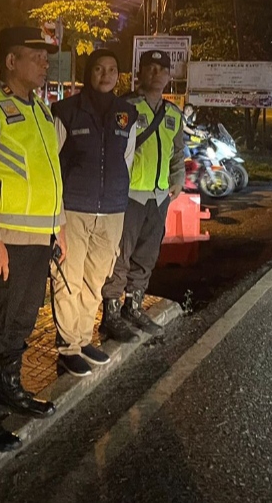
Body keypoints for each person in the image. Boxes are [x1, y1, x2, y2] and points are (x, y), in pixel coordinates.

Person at [0, 26, 66, 452]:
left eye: (46, 57)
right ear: (10, 62)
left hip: (37, 239)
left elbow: (49, 176)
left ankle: (9, 388)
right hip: (3, 241)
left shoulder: (40, 112)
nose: (45, 63)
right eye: (35, 56)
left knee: (20, 321)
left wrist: (56, 229)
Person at [51, 48, 139, 375]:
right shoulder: (66, 111)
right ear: (90, 73)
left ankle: (85, 338)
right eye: (99, 69)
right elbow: (52, 163)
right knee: (67, 279)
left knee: (96, 280)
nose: (105, 75)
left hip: (113, 210)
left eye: (112, 70)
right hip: (74, 207)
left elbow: (125, 161)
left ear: (119, 75)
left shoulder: (126, 114)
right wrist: (56, 211)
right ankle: (68, 347)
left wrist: (119, 199)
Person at [100, 50, 185, 340]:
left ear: (169, 76)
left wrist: (178, 179)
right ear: (140, 73)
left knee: (146, 256)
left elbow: (178, 153)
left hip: (159, 197)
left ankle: (132, 307)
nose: (157, 73)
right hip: (129, 196)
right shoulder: (125, 107)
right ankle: (110, 314)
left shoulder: (173, 114)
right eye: (151, 68)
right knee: (120, 256)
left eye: (163, 69)